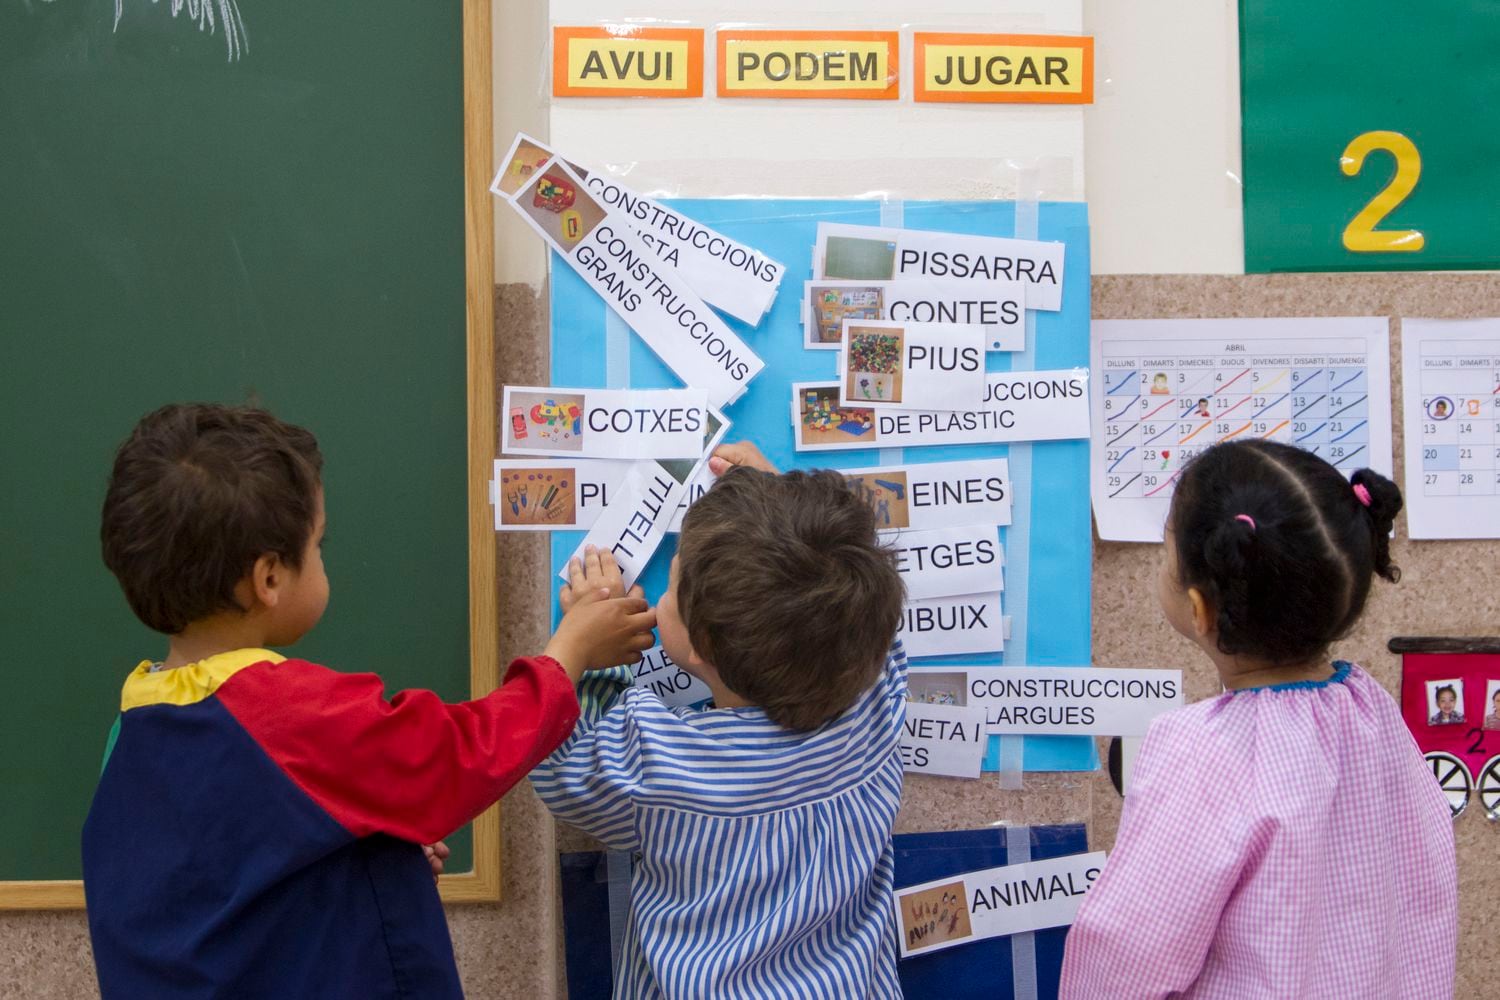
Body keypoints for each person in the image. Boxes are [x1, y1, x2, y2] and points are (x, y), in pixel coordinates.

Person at [83, 403, 655, 999]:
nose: (324, 554)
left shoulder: (135, 722)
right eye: (319, 543)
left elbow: (235, 887)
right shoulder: (283, 712)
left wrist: (371, 858)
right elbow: (460, 754)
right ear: (269, 579)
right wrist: (571, 653)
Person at [1060, 439, 1457, 999]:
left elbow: (1129, 950)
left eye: (1163, 548)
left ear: (1199, 610)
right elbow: (1423, 890)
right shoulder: (1370, 709)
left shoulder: (1197, 751)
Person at [530, 442, 910, 998]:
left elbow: (563, 772)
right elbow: (862, 615)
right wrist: (784, 516)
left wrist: (589, 656)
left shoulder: (654, 759)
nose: (663, 595)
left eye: (673, 586)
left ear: (700, 645)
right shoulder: (875, 705)